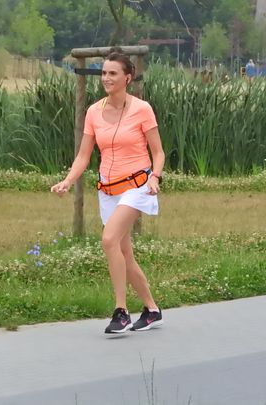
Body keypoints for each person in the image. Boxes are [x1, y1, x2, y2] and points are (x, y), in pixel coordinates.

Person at [50, 47, 165, 334]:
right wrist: (67, 181)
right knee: (124, 253)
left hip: (137, 186)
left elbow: (158, 152)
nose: (106, 78)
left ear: (128, 78)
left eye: (113, 73)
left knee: (109, 239)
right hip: (108, 190)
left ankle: (121, 312)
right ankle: (152, 309)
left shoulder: (142, 109)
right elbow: (83, 156)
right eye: (103, 73)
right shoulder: (94, 111)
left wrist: (155, 177)